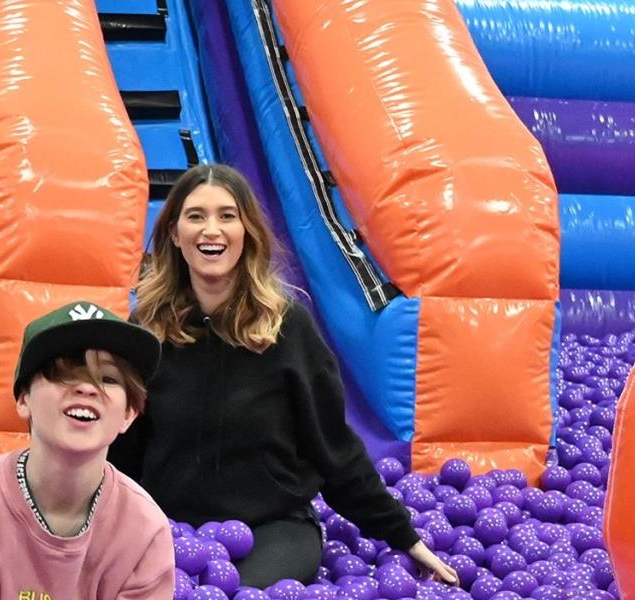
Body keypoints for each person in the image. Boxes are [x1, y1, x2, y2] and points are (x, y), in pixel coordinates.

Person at [113, 164, 458, 587]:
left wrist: (404, 536)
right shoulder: (148, 329)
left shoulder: (287, 326)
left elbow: (332, 446)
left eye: (227, 215)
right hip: (172, 528)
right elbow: (123, 448)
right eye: (196, 216)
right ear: (173, 232)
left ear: (247, 231)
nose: (212, 230)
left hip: (272, 528)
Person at [0, 300, 176, 599]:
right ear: (23, 398)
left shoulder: (143, 530)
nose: (87, 388)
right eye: (65, 373)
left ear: (129, 414)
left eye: (108, 378)